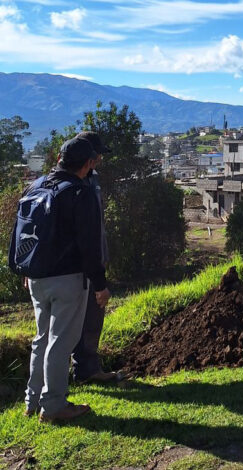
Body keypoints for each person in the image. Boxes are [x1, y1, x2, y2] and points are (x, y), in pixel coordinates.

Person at [9, 136, 109, 422]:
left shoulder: (36, 186)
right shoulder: (80, 192)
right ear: (89, 163)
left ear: (59, 160)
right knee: (61, 342)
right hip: (67, 278)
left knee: (41, 339)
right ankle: (53, 407)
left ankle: (32, 400)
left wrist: (26, 268)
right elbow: (89, 245)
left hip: (36, 277)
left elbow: (21, 232)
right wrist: (100, 285)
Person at [71, 131, 117, 384]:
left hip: (95, 260)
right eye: (97, 155)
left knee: (92, 319)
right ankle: (54, 385)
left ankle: (88, 370)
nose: (99, 159)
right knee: (67, 324)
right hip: (73, 266)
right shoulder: (71, 183)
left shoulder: (93, 180)